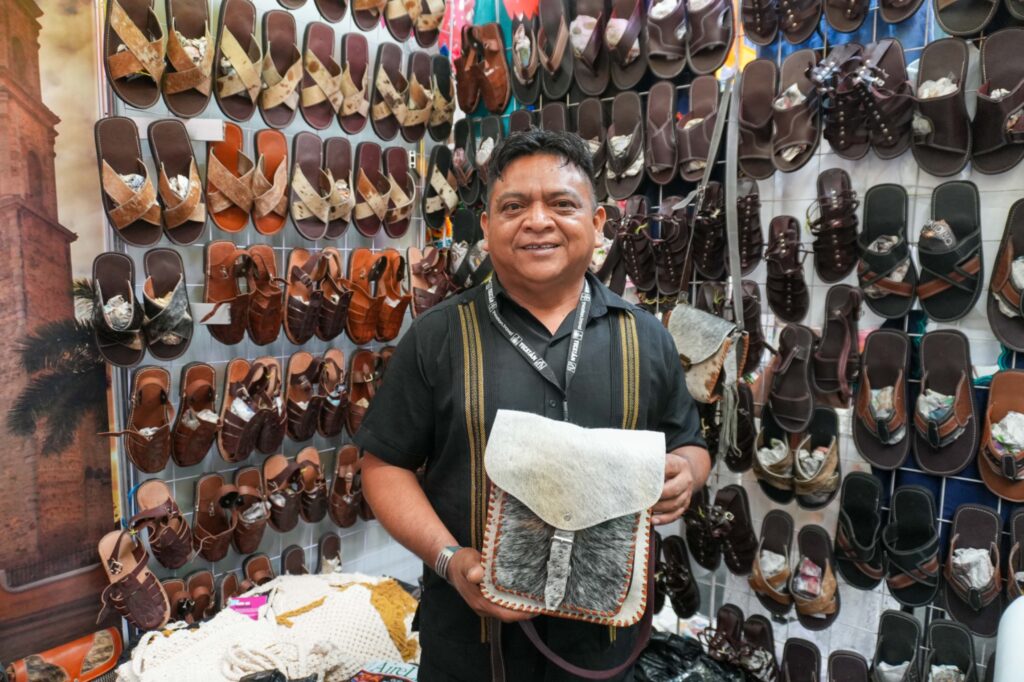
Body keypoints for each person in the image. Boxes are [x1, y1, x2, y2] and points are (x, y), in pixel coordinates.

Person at [355, 129, 711, 681]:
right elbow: (383, 466)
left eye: (562, 204)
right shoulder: (437, 336)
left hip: (603, 646)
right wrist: (450, 560)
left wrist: (687, 474)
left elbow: (689, 442)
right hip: (470, 647)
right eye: (514, 206)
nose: (538, 221)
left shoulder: (646, 338)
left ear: (597, 223)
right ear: (487, 226)